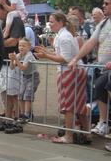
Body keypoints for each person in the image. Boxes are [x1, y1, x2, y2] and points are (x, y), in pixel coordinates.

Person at [35, 12, 89, 143]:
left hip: (69, 72)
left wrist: (46, 56)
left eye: (52, 22)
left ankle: (68, 136)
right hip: (76, 70)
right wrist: (46, 52)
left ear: (60, 22)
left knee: (68, 105)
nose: (50, 24)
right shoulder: (63, 35)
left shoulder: (64, 36)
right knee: (79, 104)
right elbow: (63, 54)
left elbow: (64, 58)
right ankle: (87, 135)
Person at [68, 0, 111, 136]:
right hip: (104, 68)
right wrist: (76, 58)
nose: (103, 6)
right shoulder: (104, 23)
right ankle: (103, 123)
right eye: (103, 3)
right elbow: (91, 43)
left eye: (107, 3)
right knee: (99, 86)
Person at [0, 0, 25, 131]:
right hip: (4, 63)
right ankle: (8, 119)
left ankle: (17, 121)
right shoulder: (2, 23)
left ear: (4, 9)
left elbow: (14, 41)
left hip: (13, 63)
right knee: (5, 93)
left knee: (13, 94)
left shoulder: (16, 21)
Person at [9, 37, 40, 122]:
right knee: (21, 95)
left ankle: (27, 114)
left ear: (29, 47)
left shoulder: (29, 55)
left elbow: (23, 68)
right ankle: (22, 114)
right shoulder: (19, 55)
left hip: (33, 76)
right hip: (25, 77)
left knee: (27, 95)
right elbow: (12, 67)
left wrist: (15, 59)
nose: (21, 47)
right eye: (20, 45)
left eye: (24, 46)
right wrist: (12, 60)